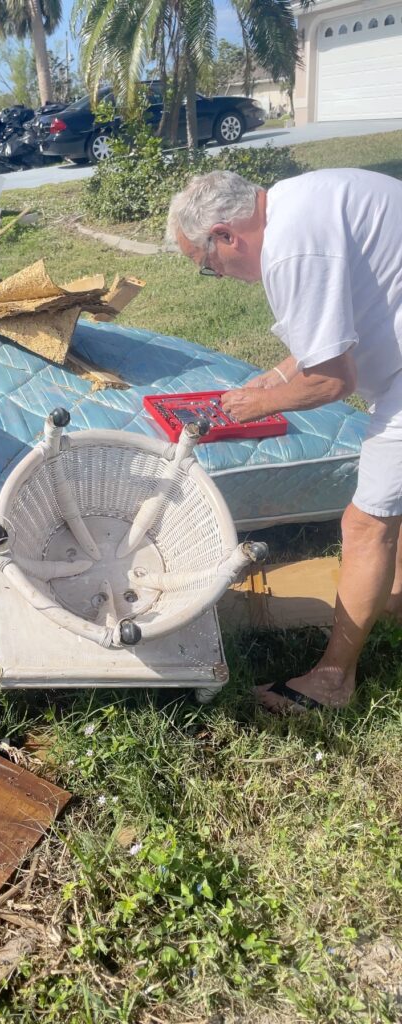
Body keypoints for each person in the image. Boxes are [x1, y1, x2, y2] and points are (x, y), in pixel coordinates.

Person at [166, 168, 402, 712]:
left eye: (207, 268)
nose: (218, 276)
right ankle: (390, 597)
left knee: (365, 524)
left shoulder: (291, 250)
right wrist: (275, 376)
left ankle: (334, 681)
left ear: (226, 235)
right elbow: (335, 320)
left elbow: (330, 379)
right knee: (389, 512)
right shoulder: (302, 202)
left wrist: (263, 404)